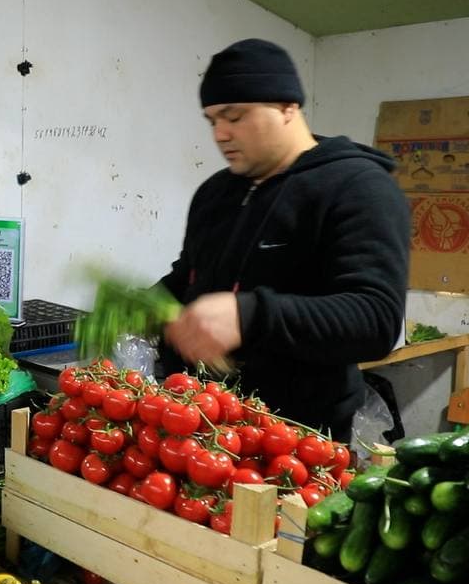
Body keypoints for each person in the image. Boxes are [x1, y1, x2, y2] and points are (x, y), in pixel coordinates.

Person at [158, 38, 410, 441]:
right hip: (197, 426)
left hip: (294, 443)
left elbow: (374, 319)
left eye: (234, 116)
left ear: (287, 106)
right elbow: (190, 275)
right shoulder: (214, 194)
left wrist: (250, 315)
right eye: (212, 121)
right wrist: (146, 306)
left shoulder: (358, 188)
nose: (220, 134)